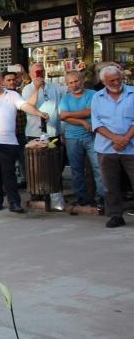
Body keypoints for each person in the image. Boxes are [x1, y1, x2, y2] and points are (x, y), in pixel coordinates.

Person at [0, 69, 49, 213]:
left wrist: (38, 113)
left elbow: (25, 106)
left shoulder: (12, 95)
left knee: (9, 173)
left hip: (9, 141)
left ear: (1, 79)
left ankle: (14, 203)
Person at [90, 65, 134, 228]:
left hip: (131, 146)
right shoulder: (97, 97)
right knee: (110, 185)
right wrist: (116, 138)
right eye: (112, 80)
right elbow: (96, 123)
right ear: (104, 81)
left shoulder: (132, 93)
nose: (116, 83)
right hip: (106, 148)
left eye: (118, 79)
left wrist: (126, 138)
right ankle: (116, 215)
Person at [59, 71, 105, 208]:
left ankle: (101, 198)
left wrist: (69, 115)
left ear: (82, 80)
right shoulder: (65, 98)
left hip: (92, 136)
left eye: (76, 81)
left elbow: (89, 111)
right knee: (76, 170)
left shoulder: (93, 94)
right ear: (67, 84)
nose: (74, 85)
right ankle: (82, 198)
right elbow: (62, 117)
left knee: (98, 168)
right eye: (71, 83)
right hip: (72, 138)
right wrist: (83, 122)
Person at [21, 62, 63, 139]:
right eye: (37, 72)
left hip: (54, 131)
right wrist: (36, 88)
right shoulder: (27, 89)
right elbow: (29, 106)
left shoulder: (55, 87)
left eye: (41, 71)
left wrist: (62, 130)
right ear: (30, 74)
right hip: (35, 133)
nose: (39, 74)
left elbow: (61, 108)